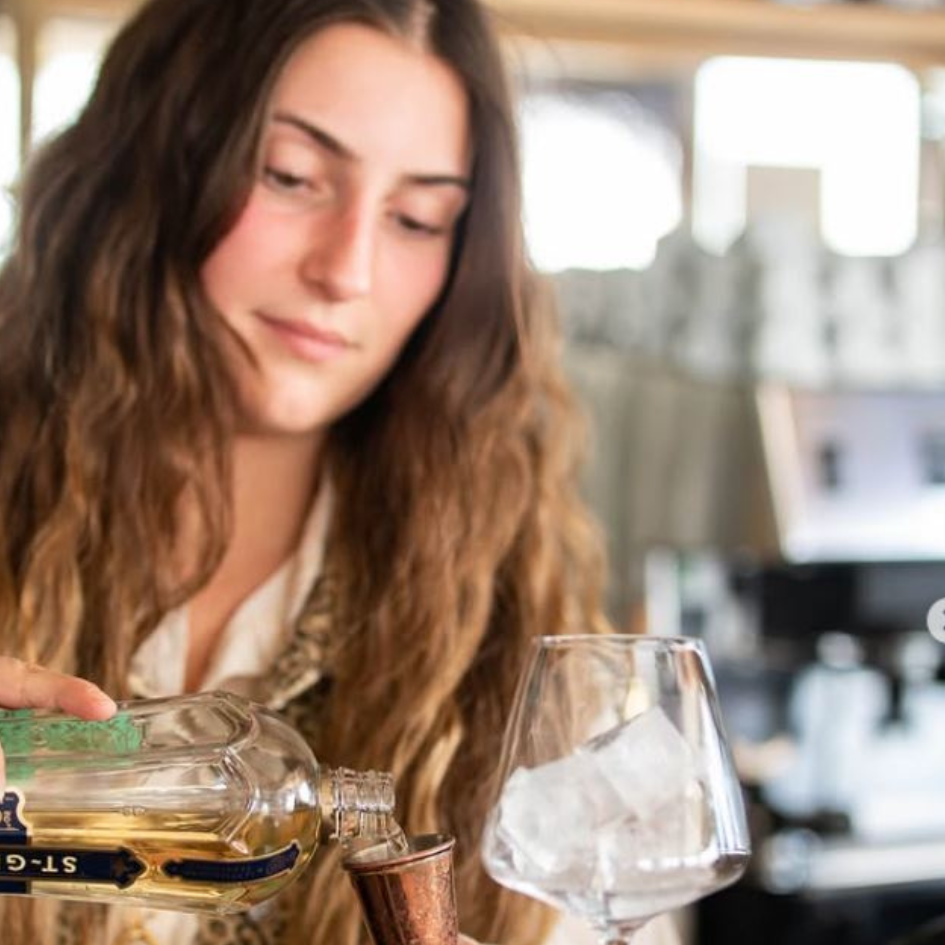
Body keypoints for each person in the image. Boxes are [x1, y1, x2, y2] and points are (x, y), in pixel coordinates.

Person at [0, 1, 680, 944]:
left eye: (416, 218)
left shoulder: (506, 636)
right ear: (150, 163)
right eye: (290, 176)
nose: (346, 269)